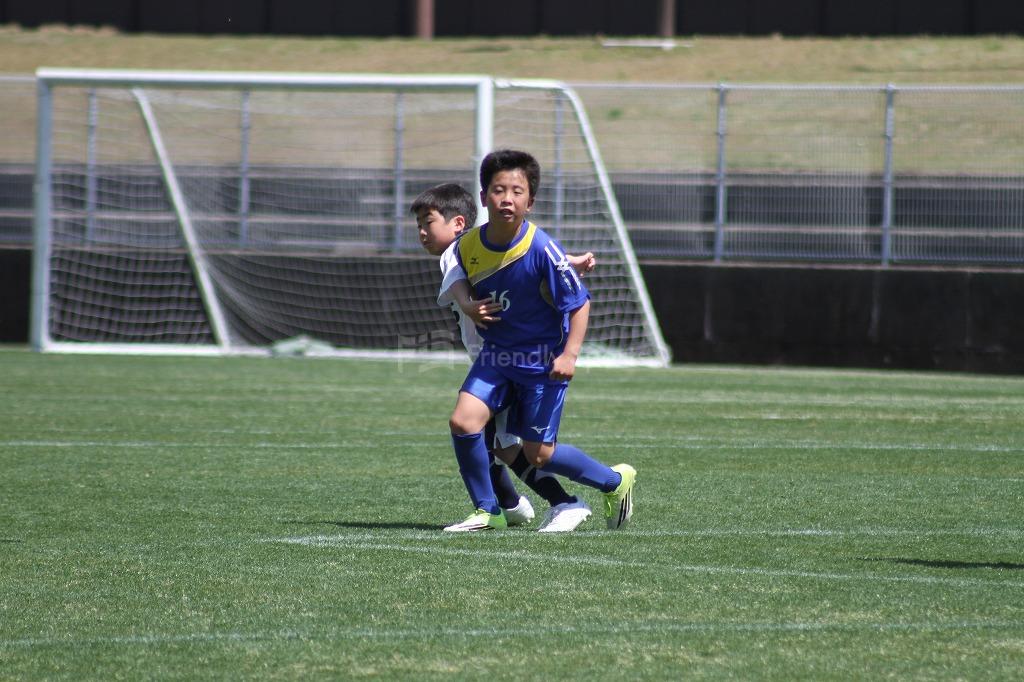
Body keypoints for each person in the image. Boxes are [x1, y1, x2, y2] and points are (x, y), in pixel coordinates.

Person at [445, 149, 636, 532]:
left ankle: (615, 481)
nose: (507, 199)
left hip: (541, 365)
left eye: (517, 191)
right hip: (497, 357)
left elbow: (579, 303)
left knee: (539, 454)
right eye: (499, 190)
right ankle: (488, 510)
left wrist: (570, 355)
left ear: (530, 202)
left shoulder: (541, 248)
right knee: (463, 422)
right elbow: (460, 274)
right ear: (483, 197)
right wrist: (467, 304)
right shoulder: (468, 245)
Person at [412, 182, 595, 532]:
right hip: (498, 359)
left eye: (428, 222)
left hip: (503, 361)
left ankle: (564, 500)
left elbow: (524, 260)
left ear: (458, 223)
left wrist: (467, 304)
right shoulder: (480, 249)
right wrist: (570, 260)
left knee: (499, 441)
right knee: (494, 441)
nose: (421, 232)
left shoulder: (456, 252)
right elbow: (520, 261)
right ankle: (511, 505)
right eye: (418, 225)